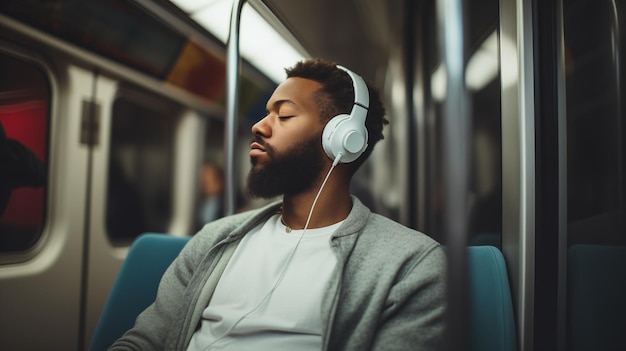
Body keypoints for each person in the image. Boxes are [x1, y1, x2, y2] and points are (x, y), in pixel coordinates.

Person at [109, 58, 446, 351]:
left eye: (284, 115)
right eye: (266, 114)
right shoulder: (216, 239)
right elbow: (147, 341)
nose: (259, 126)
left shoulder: (409, 264)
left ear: (342, 139)